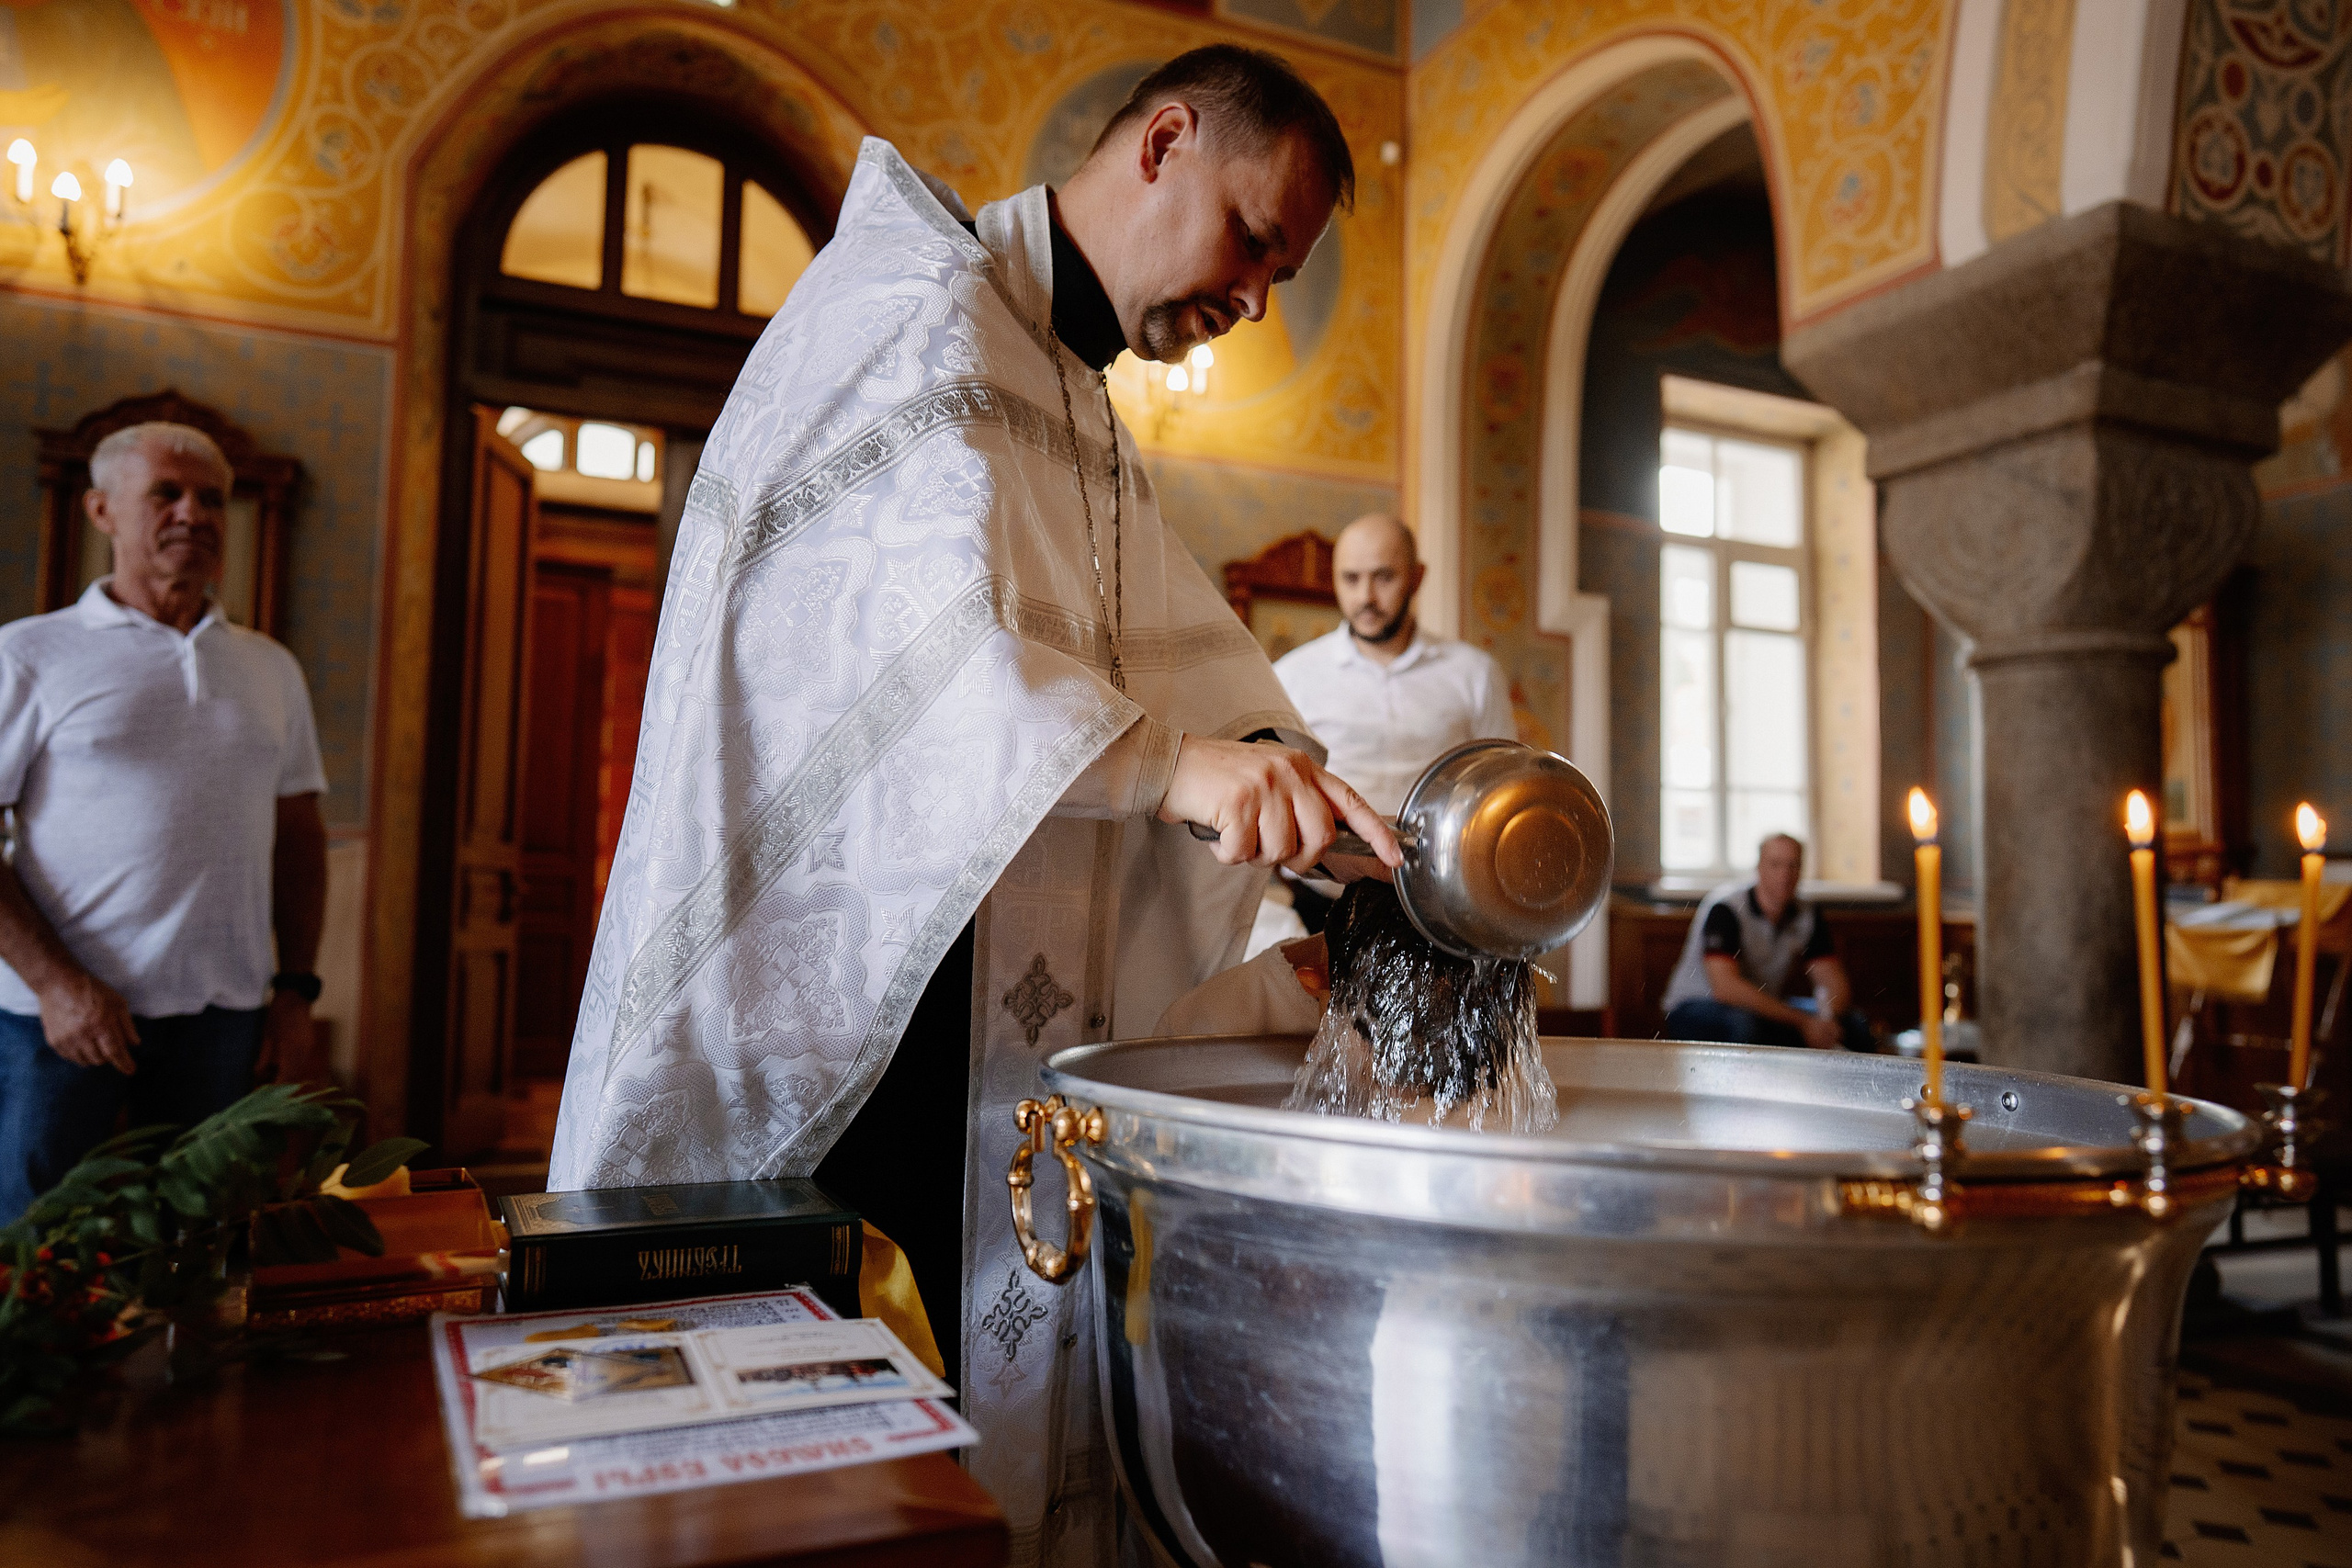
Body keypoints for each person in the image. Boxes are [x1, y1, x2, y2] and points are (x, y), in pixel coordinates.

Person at [546, 46, 1396, 1562]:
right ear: (1166, 141)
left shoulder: (1062, 387)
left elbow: (1160, 643)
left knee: (926, 1455)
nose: (1259, 295)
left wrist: (1294, 786)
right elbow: (918, 648)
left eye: (1283, 268)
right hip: (855, 1023)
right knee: (834, 1454)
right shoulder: (920, 314)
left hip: (972, 1000)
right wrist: (1183, 769)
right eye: (1257, 237)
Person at [0, 423, 328, 1223]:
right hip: (62, 1025)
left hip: (224, 1023)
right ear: (102, 510)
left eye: (213, 498)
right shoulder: (30, 655)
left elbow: (300, 838)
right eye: (166, 493)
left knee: (203, 1259)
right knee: (39, 1260)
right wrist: (58, 985)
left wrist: (294, 993)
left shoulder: (269, 667)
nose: (195, 513)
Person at [1271, 513, 1515, 930]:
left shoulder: (1475, 674)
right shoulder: (1292, 675)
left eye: (1384, 577)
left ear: (1416, 578)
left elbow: (1500, 789)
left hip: (1440, 902)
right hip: (1322, 902)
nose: (1365, 595)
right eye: (1350, 578)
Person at [1658, 833, 1869, 1052]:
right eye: (1775, 865)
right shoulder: (1726, 909)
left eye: (1793, 866)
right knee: (1746, 1027)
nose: (1784, 875)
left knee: (1855, 1024)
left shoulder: (1807, 914)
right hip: (1696, 1005)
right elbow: (1725, 988)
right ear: (1758, 868)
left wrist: (1827, 1019)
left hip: (1759, 1007)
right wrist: (1805, 1022)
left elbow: (1832, 981)